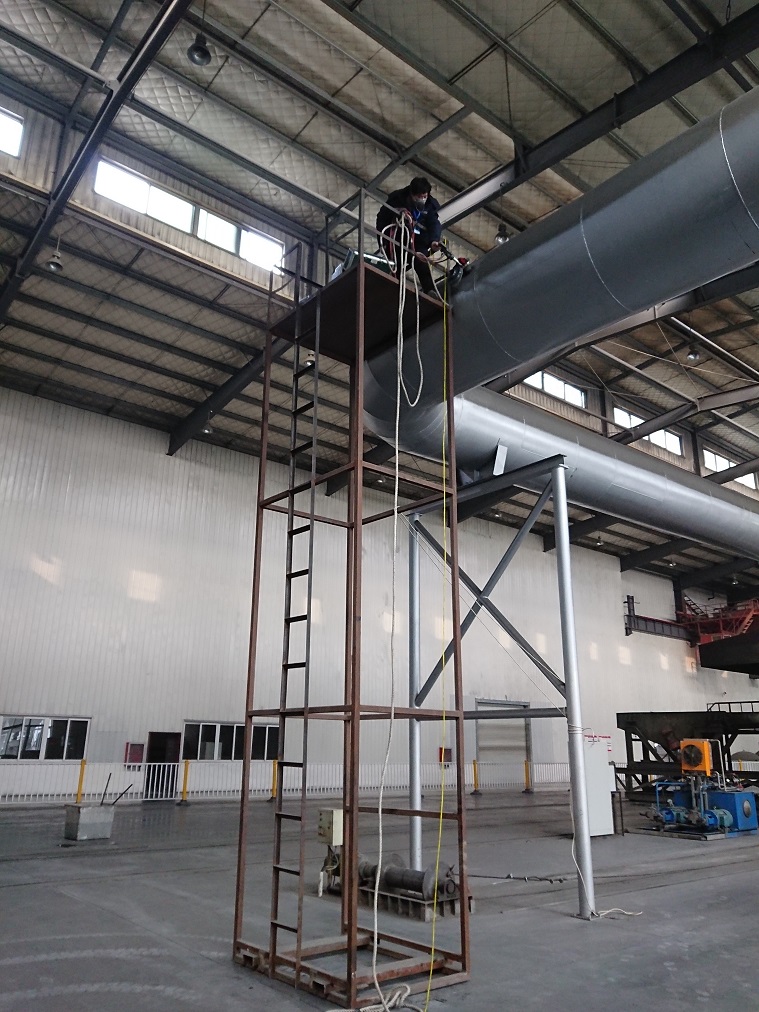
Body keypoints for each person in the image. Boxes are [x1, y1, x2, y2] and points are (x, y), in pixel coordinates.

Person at [376, 176, 442, 296]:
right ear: (412, 194)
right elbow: (382, 219)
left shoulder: (430, 205)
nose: (422, 199)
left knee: (421, 263)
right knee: (396, 265)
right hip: (399, 239)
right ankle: (394, 291)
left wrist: (434, 240)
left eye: (424, 197)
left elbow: (434, 224)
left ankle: (430, 291)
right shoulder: (397, 199)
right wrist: (382, 242)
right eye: (419, 197)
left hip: (418, 242)